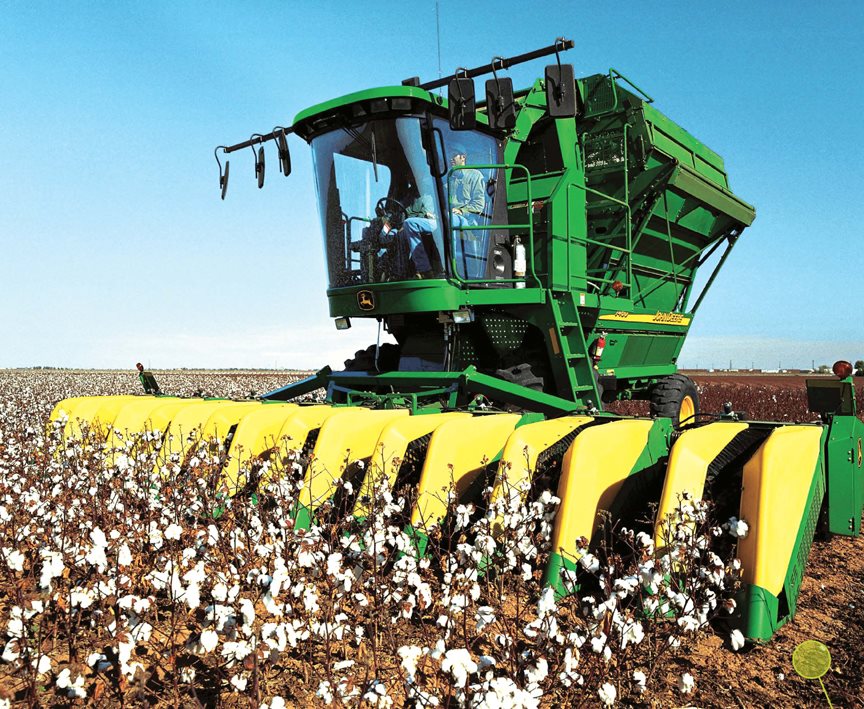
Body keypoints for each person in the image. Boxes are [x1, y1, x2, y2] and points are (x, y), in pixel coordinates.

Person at [379, 192, 440, 278]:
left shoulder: (428, 197)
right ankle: (380, 273)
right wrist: (385, 222)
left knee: (402, 234)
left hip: (415, 228)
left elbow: (428, 217)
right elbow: (397, 214)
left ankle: (402, 273)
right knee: (381, 240)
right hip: (401, 227)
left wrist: (404, 226)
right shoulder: (408, 197)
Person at [448, 146, 487, 278]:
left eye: (454, 155)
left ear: (463, 157)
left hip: (469, 221)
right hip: (449, 216)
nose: (450, 158)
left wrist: (460, 210)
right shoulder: (449, 178)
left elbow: (478, 205)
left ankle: (449, 265)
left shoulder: (475, 175)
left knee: (450, 220)